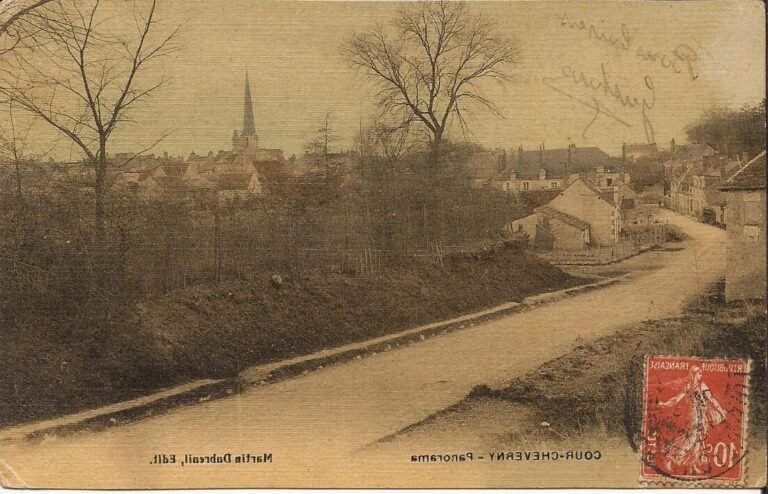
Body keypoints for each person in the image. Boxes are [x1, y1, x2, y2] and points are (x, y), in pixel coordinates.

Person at [658, 366, 727, 475]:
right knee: (691, 439)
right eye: (699, 374)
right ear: (693, 375)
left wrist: (720, 411)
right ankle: (670, 458)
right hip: (694, 416)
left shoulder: (702, 386)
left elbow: (711, 400)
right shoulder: (689, 387)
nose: (701, 376)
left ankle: (692, 466)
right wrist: (665, 404)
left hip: (702, 416)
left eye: (701, 374)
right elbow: (677, 398)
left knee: (699, 440)